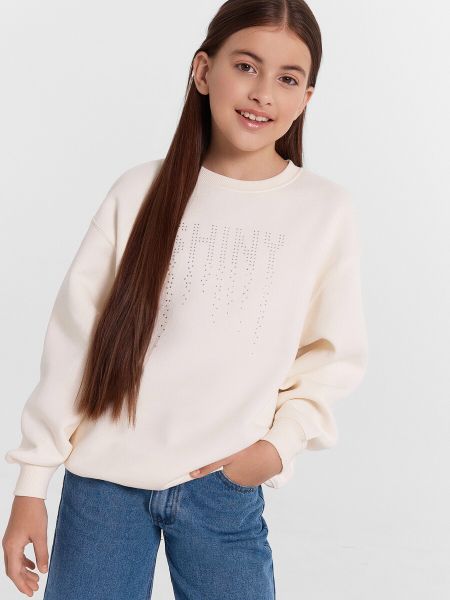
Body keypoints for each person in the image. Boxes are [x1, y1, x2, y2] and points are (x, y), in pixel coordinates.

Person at [2, 0, 369, 598]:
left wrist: (276, 449)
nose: (262, 93)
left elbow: (331, 357)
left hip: (224, 491)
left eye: (287, 78)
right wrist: (30, 487)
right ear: (202, 71)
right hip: (103, 491)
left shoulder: (323, 211)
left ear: (306, 98)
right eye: (245, 66)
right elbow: (74, 343)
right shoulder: (139, 191)